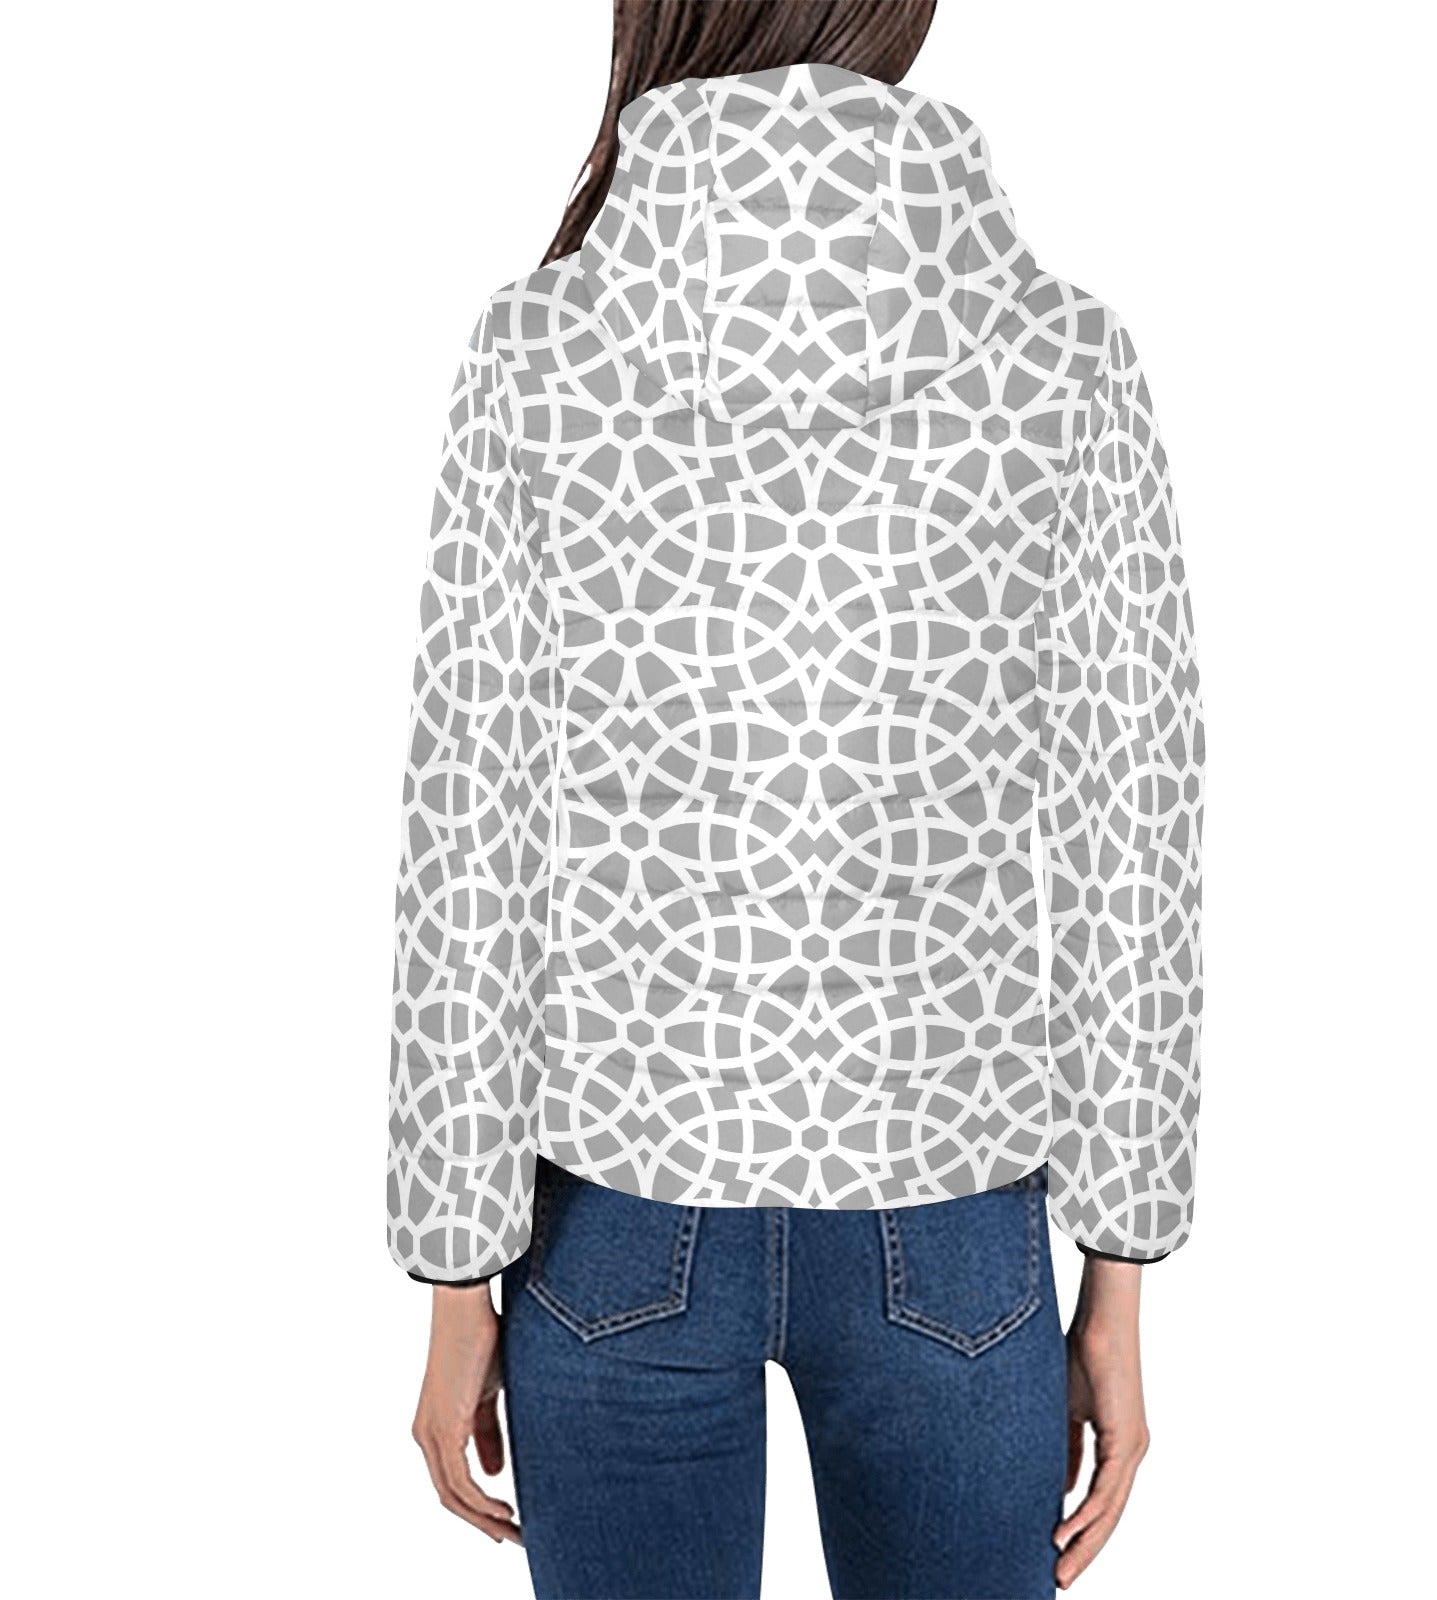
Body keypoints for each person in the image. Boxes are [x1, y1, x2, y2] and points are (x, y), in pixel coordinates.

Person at [387, 2, 1204, 1594]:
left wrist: (451, 1271)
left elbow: (469, 831)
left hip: (612, 1210)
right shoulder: (1064, 356)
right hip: (950, 1209)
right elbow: (1138, 830)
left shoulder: (538, 349)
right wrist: (1120, 1272)